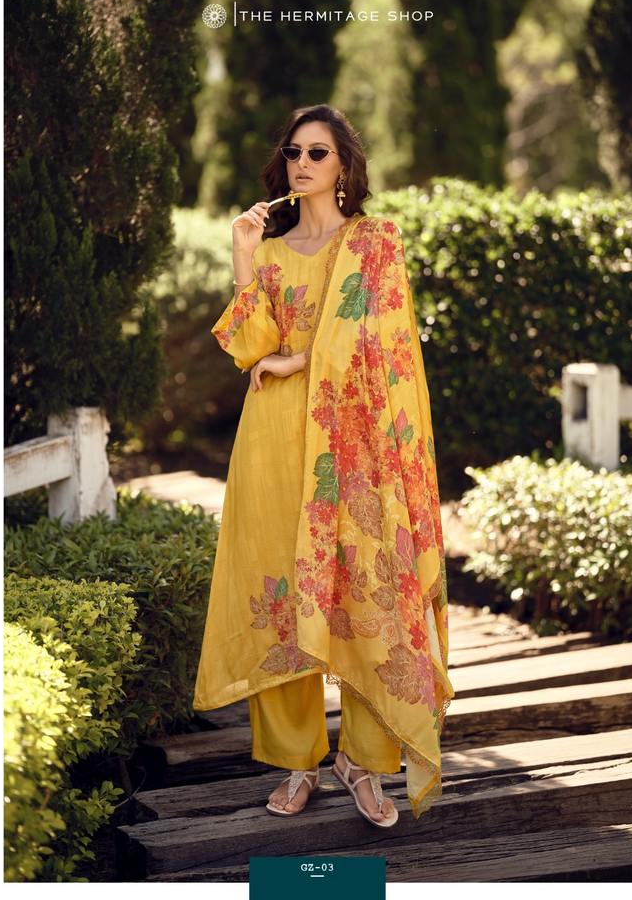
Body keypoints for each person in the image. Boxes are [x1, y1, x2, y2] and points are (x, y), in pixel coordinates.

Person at [192, 104, 454, 826]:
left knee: (369, 593)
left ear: (343, 165)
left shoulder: (374, 242)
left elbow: (383, 341)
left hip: (356, 443)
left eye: (318, 152)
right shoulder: (272, 250)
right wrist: (243, 252)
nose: (302, 163)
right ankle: (297, 762)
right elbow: (250, 347)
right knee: (279, 595)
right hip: (274, 440)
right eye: (293, 152)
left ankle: (364, 761)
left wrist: (301, 358)